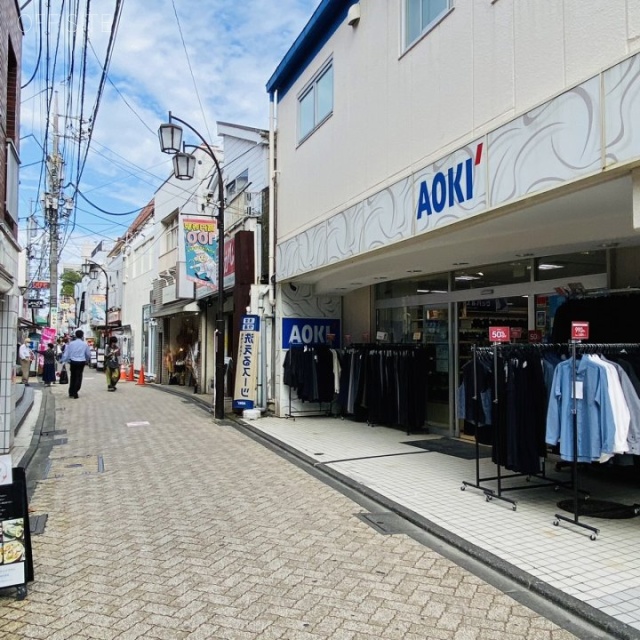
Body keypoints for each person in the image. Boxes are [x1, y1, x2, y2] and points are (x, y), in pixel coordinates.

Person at [60, 329, 92, 399]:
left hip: (73, 362)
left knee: (73, 376)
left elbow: (67, 353)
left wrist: (63, 360)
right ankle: (75, 391)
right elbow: (88, 354)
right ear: (82, 336)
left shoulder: (71, 344)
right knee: (79, 376)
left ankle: (71, 392)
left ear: (76, 335)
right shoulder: (85, 344)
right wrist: (86, 360)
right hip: (81, 362)